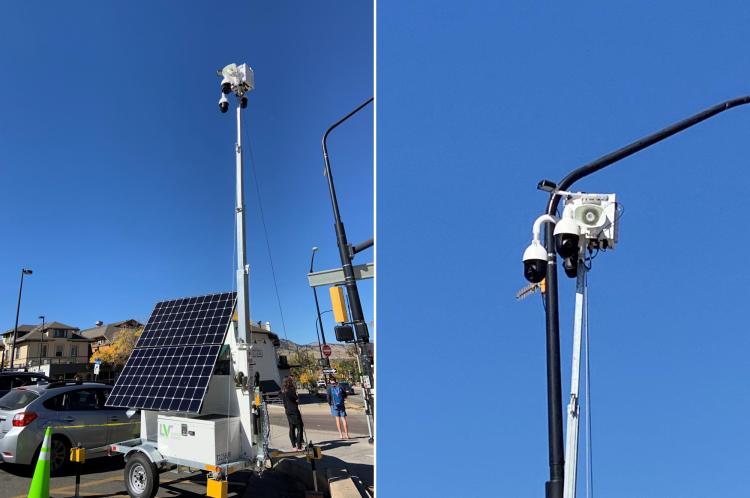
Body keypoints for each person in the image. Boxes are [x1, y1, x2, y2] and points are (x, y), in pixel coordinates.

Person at [281, 376, 304, 451]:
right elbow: (296, 399)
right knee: (299, 428)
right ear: (289, 382)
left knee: (292, 428)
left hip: (288, 411)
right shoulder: (290, 390)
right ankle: (299, 446)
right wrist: (296, 394)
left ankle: (294, 446)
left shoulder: (283, 391)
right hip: (294, 410)